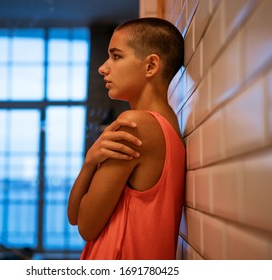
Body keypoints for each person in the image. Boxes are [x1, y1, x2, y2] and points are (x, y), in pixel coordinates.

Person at [67, 17, 185, 260]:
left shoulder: (136, 125)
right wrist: (91, 161)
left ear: (151, 65)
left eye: (116, 56)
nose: (103, 68)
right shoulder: (169, 123)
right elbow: (74, 216)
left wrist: (90, 164)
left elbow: (85, 227)